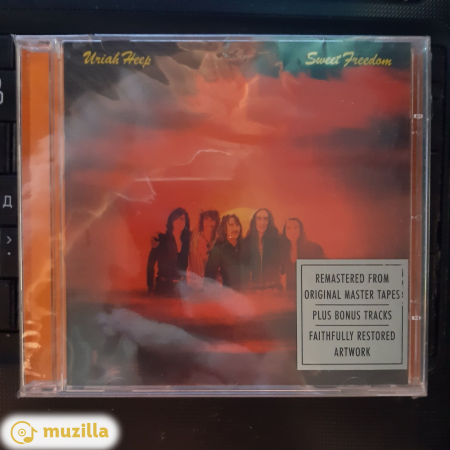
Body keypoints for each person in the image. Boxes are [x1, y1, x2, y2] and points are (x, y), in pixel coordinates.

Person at [147, 208, 190, 296]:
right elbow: (150, 264)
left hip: (182, 289)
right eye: (177, 219)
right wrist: (150, 286)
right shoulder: (161, 239)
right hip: (164, 288)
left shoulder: (187, 241)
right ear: (171, 221)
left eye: (183, 219)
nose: (180, 222)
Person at [280, 218, 325, 291]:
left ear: (301, 230)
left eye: (296, 227)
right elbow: (281, 272)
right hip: (291, 293)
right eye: (288, 228)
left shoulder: (314, 248)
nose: (292, 231)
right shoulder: (283, 251)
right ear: (285, 232)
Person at [242, 208, 281, 289]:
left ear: (269, 222)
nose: (262, 222)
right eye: (259, 218)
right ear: (254, 221)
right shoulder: (246, 242)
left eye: (265, 219)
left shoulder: (277, 240)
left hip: (272, 289)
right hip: (252, 289)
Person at [204, 214, 243, 290]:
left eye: (237, 225)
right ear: (224, 229)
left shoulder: (244, 246)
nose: (235, 228)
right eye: (231, 225)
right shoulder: (218, 249)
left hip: (248, 293)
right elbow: (208, 279)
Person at [187, 210, 220, 290]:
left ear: (216, 223)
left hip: (212, 288)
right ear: (202, 221)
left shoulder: (218, 241)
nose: (209, 223)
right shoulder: (193, 238)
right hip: (193, 288)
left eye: (212, 220)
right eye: (206, 219)